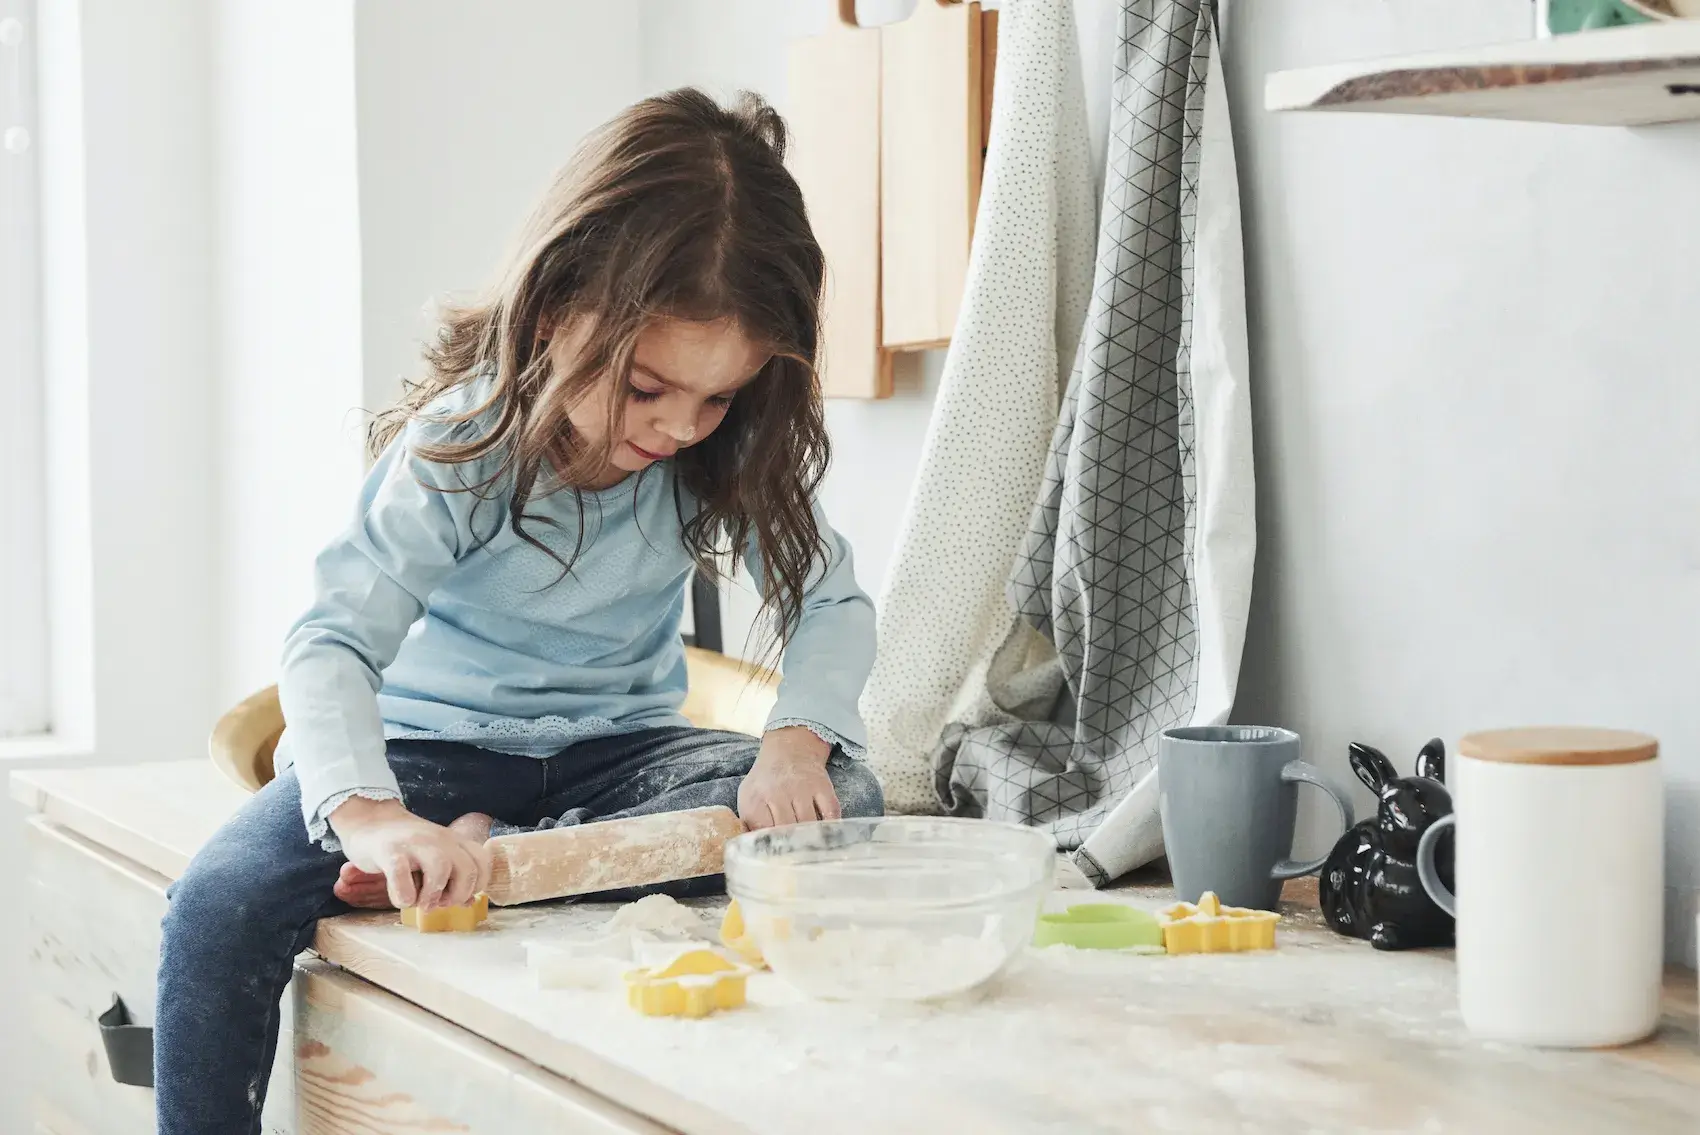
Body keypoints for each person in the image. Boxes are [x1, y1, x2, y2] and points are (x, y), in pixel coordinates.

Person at [154, 88, 883, 1133]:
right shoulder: (463, 447)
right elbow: (330, 642)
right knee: (216, 900)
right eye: (647, 387)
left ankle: (502, 859)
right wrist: (373, 817)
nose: (681, 426)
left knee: (844, 796)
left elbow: (831, 602)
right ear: (554, 312)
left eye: (718, 396)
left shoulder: (716, 454)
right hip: (430, 751)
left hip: (619, 754)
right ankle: (478, 851)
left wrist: (794, 748)